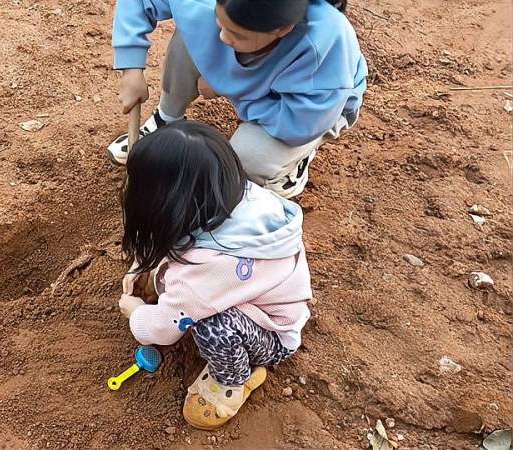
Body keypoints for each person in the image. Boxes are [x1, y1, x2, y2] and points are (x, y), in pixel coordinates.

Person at [118, 121, 311, 430]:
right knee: (200, 302)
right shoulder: (240, 197)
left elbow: (165, 329)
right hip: (271, 296)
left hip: (273, 336)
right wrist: (143, 265)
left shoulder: (202, 271)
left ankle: (232, 382)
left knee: (213, 325)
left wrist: (136, 314)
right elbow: (178, 234)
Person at [108, 0, 367, 198]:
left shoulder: (323, 42)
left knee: (245, 160)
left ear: (281, 29)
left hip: (309, 110)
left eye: (237, 35)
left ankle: (291, 164)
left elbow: (301, 123)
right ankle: (166, 120)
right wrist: (131, 69)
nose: (223, 38)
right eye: (221, 26)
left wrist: (226, 85)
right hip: (252, 76)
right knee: (193, 30)